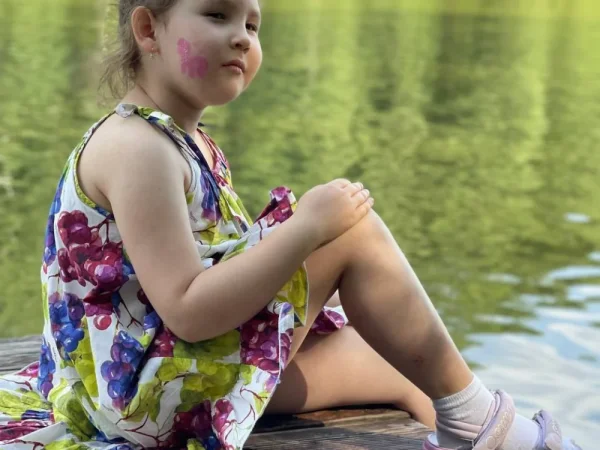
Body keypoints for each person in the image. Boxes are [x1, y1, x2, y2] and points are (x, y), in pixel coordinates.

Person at [0, 0, 582, 449]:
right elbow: (189, 309)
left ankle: (473, 430)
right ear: (149, 30)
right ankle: (485, 424)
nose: (241, 36)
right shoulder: (137, 149)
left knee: (402, 361)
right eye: (217, 14)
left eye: (252, 25)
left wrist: (309, 260)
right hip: (140, 400)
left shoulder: (183, 141)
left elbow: (209, 272)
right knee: (347, 231)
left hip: (159, 381)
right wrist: (306, 232)